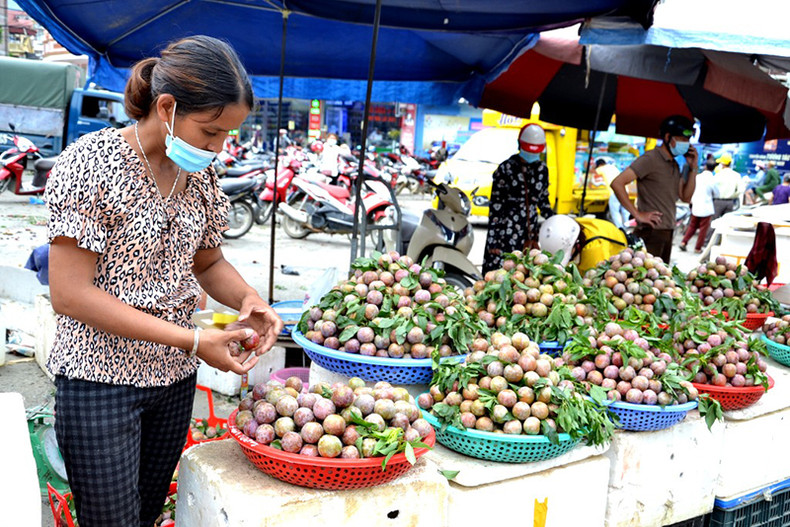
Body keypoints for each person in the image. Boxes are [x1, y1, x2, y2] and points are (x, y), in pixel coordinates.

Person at [45, 36, 284, 526]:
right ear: (167, 107)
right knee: (111, 520)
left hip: (173, 380)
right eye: (210, 131)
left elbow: (208, 263)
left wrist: (249, 298)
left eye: (227, 135)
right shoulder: (91, 164)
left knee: (148, 511)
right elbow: (69, 294)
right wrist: (194, 340)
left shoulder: (201, 177)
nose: (217, 147)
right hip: (99, 379)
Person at [610, 115, 698, 263]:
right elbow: (617, 183)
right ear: (668, 137)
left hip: (667, 232)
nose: (686, 143)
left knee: (663, 275)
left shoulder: (674, 164)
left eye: (687, 140)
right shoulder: (651, 158)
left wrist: (693, 168)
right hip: (651, 232)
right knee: (648, 275)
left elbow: (686, 197)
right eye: (682, 139)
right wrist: (637, 214)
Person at [483, 123, 554, 273]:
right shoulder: (505, 169)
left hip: (529, 231)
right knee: (501, 272)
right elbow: (495, 206)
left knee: (525, 273)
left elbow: (544, 203)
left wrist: (557, 222)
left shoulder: (542, 170)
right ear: (520, 145)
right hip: (505, 230)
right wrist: (494, 240)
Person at [539, 215, 627, 272]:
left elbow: (592, 281)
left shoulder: (594, 252)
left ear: (576, 245)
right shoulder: (571, 226)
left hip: (618, 248)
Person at [680, 157, 718, 253]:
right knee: (703, 229)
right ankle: (697, 248)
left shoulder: (697, 177)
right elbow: (717, 194)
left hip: (696, 205)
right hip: (706, 207)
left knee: (692, 225)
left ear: (705, 167)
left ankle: (684, 242)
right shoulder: (713, 180)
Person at [710, 153, 744, 221]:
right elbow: (740, 190)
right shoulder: (736, 175)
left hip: (718, 202)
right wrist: (733, 196)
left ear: (722, 164)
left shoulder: (718, 175)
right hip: (730, 202)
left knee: (713, 222)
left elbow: (712, 188)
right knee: (727, 222)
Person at [595, 159, 627, 229]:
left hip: (614, 191)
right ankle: (627, 227)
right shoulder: (613, 167)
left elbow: (593, 173)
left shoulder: (601, 168)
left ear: (599, 165)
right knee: (625, 210)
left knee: (615, 211)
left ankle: (620, 228)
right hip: (624, 190)